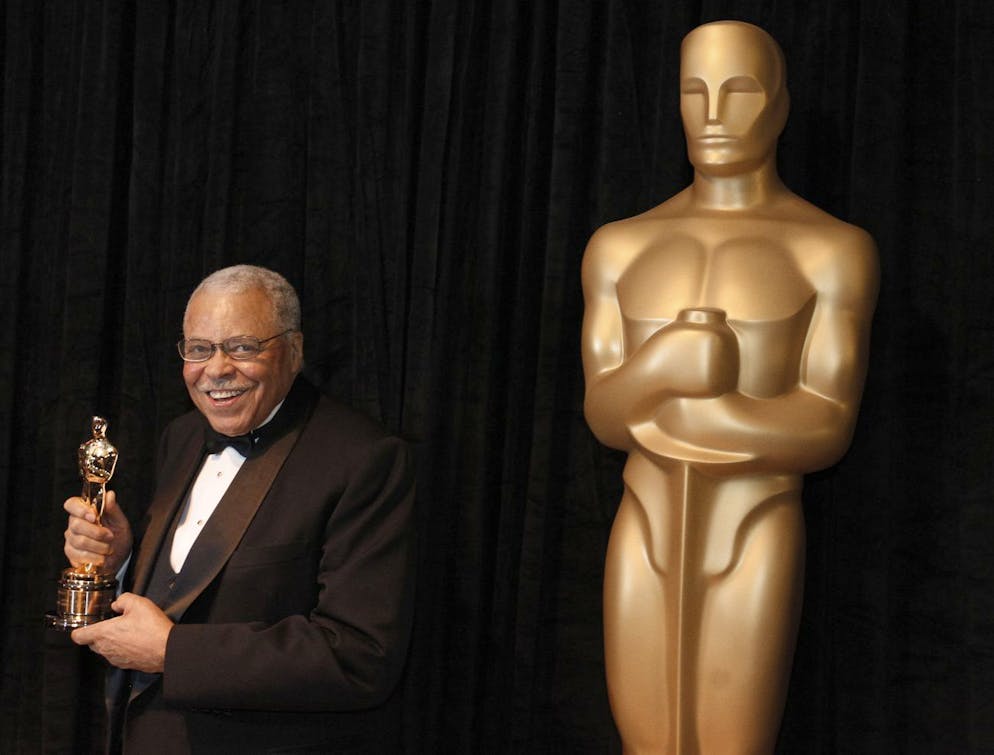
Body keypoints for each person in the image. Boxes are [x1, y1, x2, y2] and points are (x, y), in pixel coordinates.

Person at [581, 21, 878, 754]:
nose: (713, 114)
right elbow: (604, 414)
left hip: (757, 518)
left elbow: (827, 426)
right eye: (694, 91)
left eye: (739, 90)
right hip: (644, 517)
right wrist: (662, 368)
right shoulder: (620, 245)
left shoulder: (830, 250)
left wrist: (707, 411)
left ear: (778, 105)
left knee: (733, 739)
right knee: (644, 739)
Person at [63, 265, 416, 753]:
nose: (217, 369)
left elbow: (360, 655)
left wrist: (172, 652)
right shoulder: (181, 436)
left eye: (243, 347)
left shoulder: (364, 459)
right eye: (199, 348)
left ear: (294, 350)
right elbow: (185, 587)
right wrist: (123, 560)